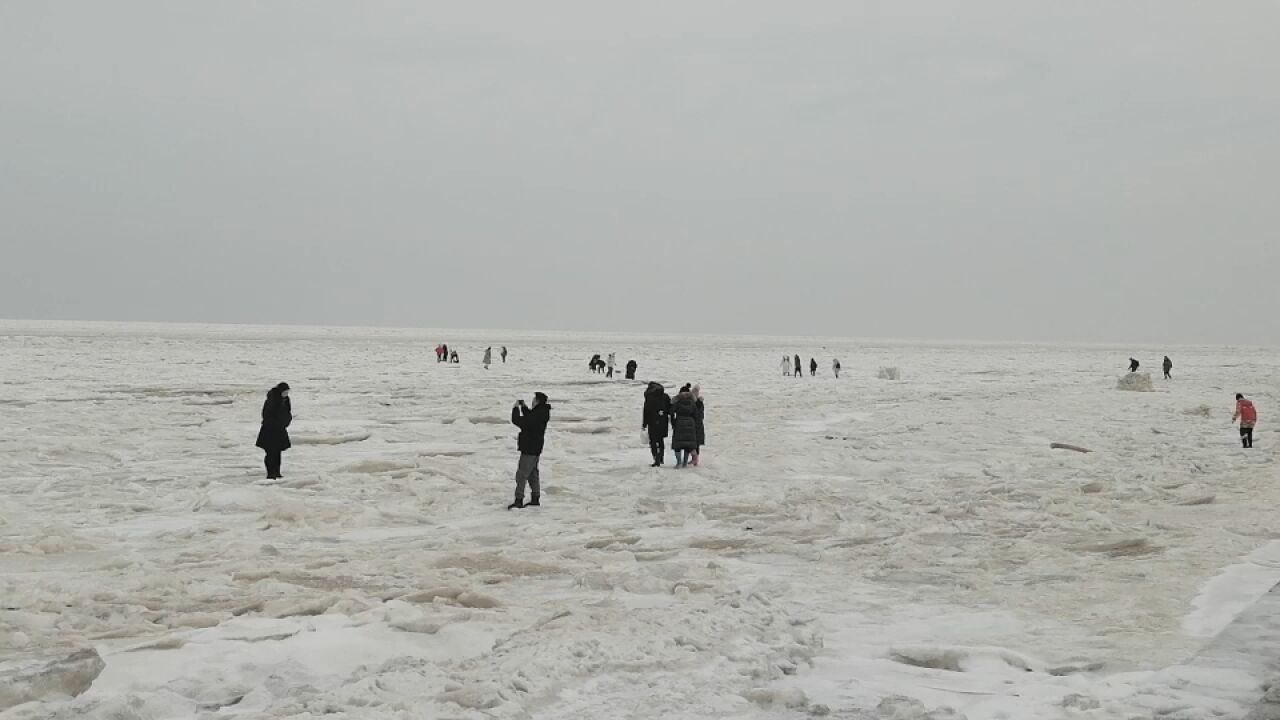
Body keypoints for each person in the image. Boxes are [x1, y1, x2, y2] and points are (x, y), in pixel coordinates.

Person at [509, 392, 552, 509]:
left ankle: (519, 500)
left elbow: (519, 421)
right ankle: (535, 498)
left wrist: (515, 408)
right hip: (535, 448)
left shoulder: (537, 415)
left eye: (534, 399)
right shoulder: (541, 413)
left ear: (537, 401)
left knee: (521, 475)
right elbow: (529, 417)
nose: (532, 401)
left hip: (529, 448)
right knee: (533, 474)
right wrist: (523, 407)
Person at [255, 383, 292, 480]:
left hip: (280, 429)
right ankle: (270, 473)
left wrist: (286, 422)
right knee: (271, 452)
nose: (286, 394)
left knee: (278, 452)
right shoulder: (272, 399)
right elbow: (266, 414)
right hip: (269, 430)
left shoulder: (286, 400)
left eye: (287, 392)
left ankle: (277, 472)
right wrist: (275, 422)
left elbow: (288, 412)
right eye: (285, 392)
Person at [669, 386, 699, 468]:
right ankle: (685, 462)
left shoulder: (677, 402)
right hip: (690, 423)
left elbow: (671, 412)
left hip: (679, 423)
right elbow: (696, 414)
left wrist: (673, 422)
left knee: (677, 444)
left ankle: (679, 462)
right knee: (688, 444)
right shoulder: (692, 402)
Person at [642, 382, 671, 467]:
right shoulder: (665, 396)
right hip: (663, 422)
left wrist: (644, 424)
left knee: (653, 441)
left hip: (652, 422)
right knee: (660, 440)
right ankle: (661, 457)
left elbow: (646, 411)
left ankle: (656, 458)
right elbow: (670, 409)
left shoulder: (649, 397)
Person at [691, 385, 706, 466]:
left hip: (697, 424)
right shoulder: (696, 402)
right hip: (695, 424)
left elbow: (700, 414)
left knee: (696, 442)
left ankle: (695, 458)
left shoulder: (699, 403)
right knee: (694, 442)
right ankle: (694, 458)